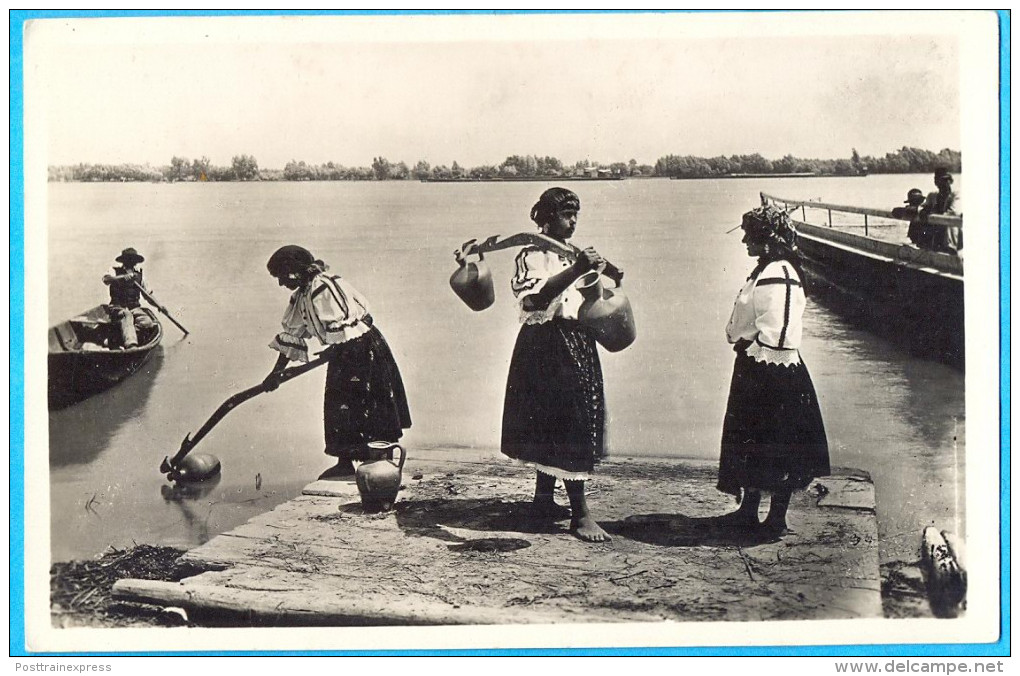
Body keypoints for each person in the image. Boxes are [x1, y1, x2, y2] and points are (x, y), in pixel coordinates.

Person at [501, 187, 613, 543]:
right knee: (564, 422)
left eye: (576, 214)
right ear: (547, 218)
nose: (573, 221)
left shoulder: (571, 256)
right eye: (566, 214)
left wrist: (607, 271)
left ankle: (543, 500)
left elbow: (596, 291)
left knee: (560, 420)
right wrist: (578, 269)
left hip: (577, 340)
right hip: (545, 346)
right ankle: (580, 515)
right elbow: (534, 300)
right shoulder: (531, 256)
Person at [717, 205, 830, 536]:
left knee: (773, 439)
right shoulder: (771, 269)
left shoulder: (779, 274)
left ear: (766, 238)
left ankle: (775, 519)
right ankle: (749, 513)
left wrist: (752, 352)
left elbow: (778, 333)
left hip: (771, 370)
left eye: (749, 234)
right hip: (761, 364)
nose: (743, 241)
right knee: (758, 440)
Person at [263, 245, 411, 479]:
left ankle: (382, 461)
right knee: (339, 405)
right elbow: (293, 335)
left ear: (294, 270)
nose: (281, 283)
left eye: (281, 277)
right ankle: (345, 463)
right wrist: (276, 374)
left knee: (370, 402)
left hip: (364, 350)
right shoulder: (301, 296)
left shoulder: (324, 287)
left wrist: (336, 350)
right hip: (343, 353)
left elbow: (349, 326)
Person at [102, 247, 156, 348]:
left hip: (135, 308)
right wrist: (121, 277)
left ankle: (118, 338)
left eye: (133, 259)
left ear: (136, 261)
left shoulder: (140, 275)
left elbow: (148, 296)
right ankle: (131, 345)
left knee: (148, 323)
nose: (131, 261)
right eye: (128, 259)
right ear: (123, 260)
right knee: (127, 315)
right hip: (117, 308)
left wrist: (160, 306)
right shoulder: (114, 271)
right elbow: (106, 279)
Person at [921, 167, 962, 254]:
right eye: (940, 181)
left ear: (950, 181)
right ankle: (924, 244)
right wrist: (924, 210)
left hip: (952, 230)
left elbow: (954, 212)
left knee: (949, 220)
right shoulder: (932, 196)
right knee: (922, 218)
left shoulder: (956, 195)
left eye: (946, 180)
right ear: (936, 183)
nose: (943, 183)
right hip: (936, 229)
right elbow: (923, 208)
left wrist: (933, 213)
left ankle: (950, 247)